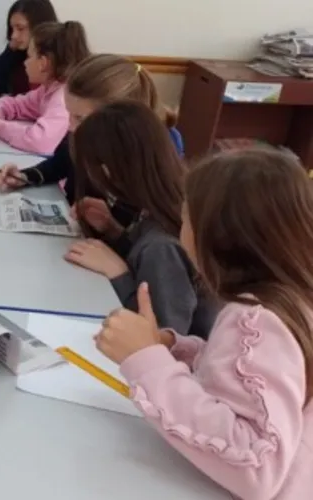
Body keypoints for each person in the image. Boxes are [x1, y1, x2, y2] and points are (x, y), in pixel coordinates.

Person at [95, 147, 313, 499]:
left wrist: (147, 361)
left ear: (217, 237)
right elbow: (243, 379)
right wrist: (170, 348)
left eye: (186, 220)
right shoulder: (290, 299)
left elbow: (257, 466)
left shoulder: (256, 319)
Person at [62, 101, 216, 339]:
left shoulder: (162, 246)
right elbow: (149, 270)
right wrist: (114, 232)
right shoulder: (170, 202)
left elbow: (164, 338)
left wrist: (118, 274)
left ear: (107, 171)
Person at [0, 54, 183, 229]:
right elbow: (61, 162)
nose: (71, 127)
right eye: (70, 114)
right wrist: (26, 176)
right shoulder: (83, 133)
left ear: (118, 118)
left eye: (80, 118)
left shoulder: (151, 160)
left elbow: (147, 242)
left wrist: (112, 230)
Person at [0, 21, 90, 155]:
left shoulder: (63, 96)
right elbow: (17, 104)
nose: (25, 62)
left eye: (29, 57)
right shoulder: (48, 89)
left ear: (43, 63)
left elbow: (40, 141)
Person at [0, 0, 58, 103]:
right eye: (12, 28)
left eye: (20, 28)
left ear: (40, 26)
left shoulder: (56, 61)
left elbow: (37, 104)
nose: (14, 35)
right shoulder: (19, 51)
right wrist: (10, 51)